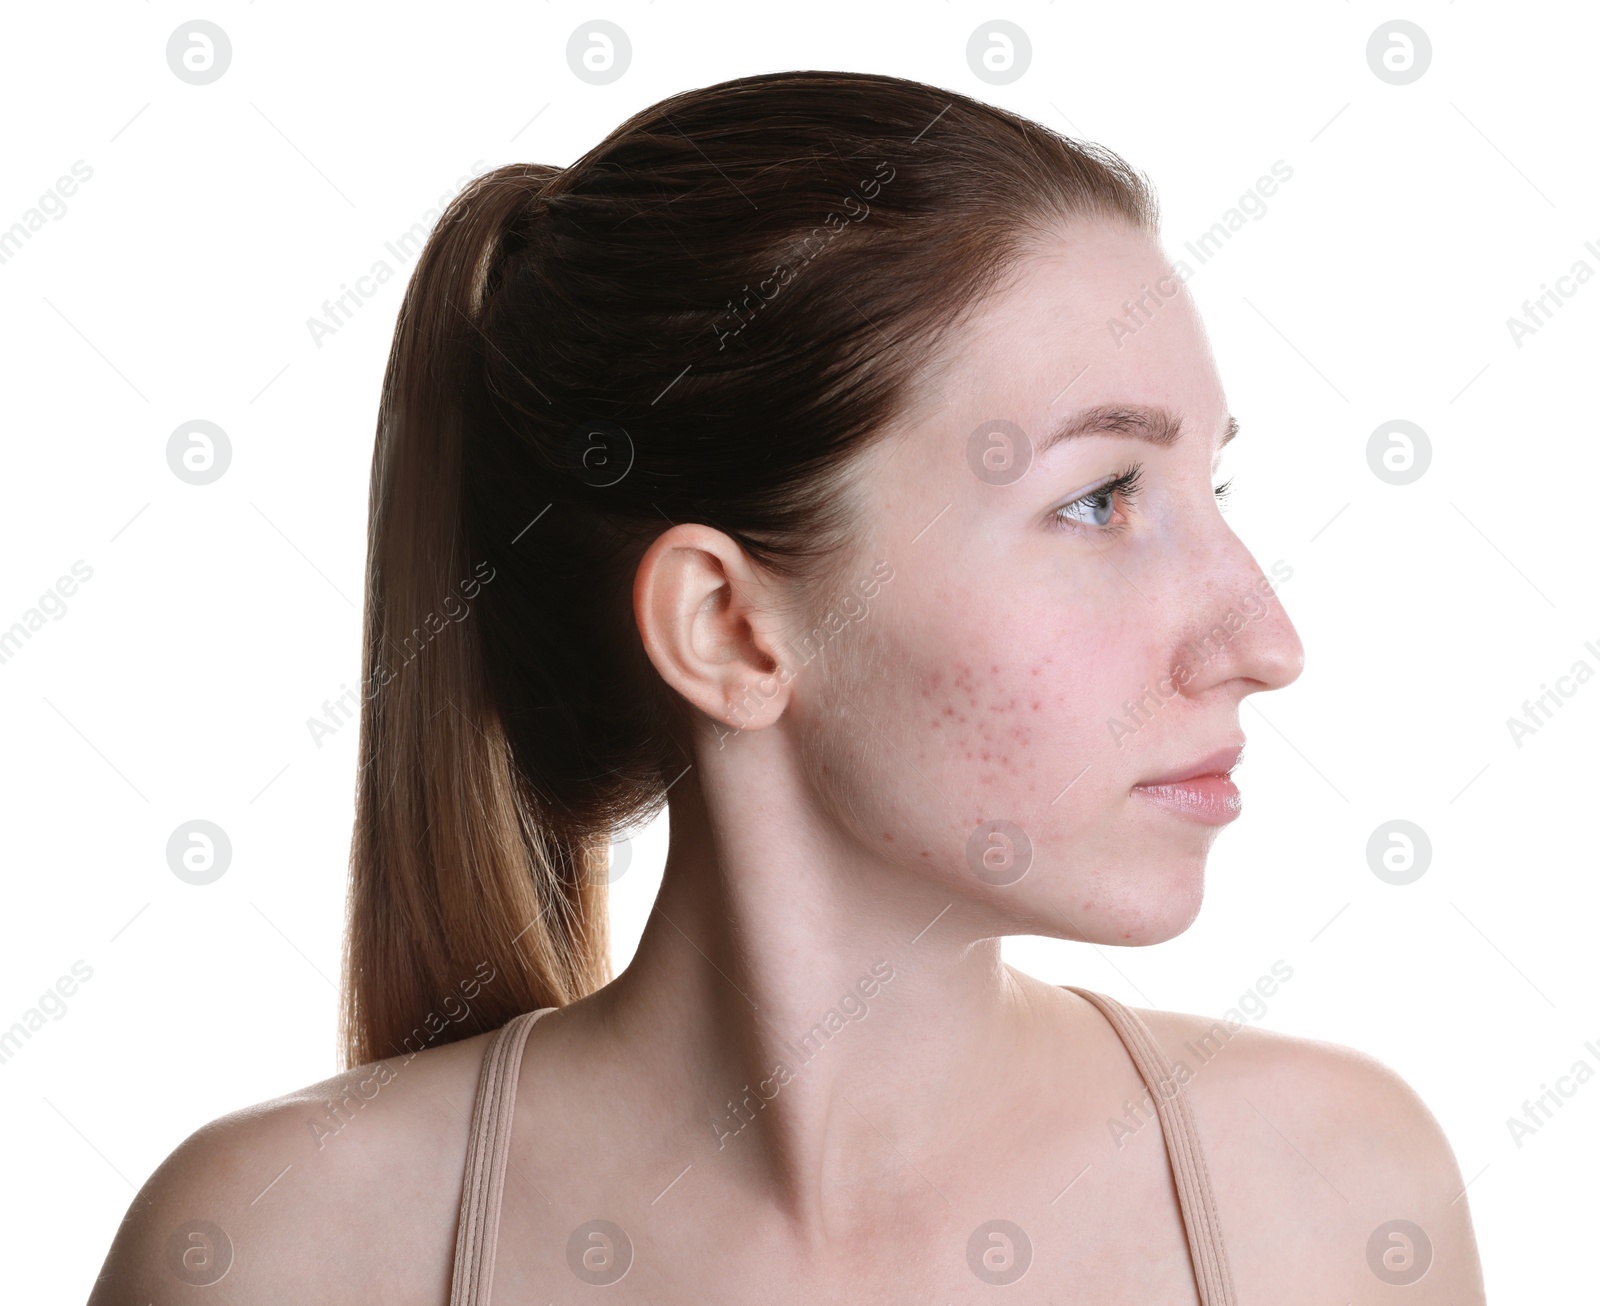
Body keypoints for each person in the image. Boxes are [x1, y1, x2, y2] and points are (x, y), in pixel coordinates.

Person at [87, 70, 1486, 1303]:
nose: (1262, 635)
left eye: (1211, 482)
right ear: (730, 631)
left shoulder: (1336, 1208)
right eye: (1102, 496)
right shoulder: (273, 1256)